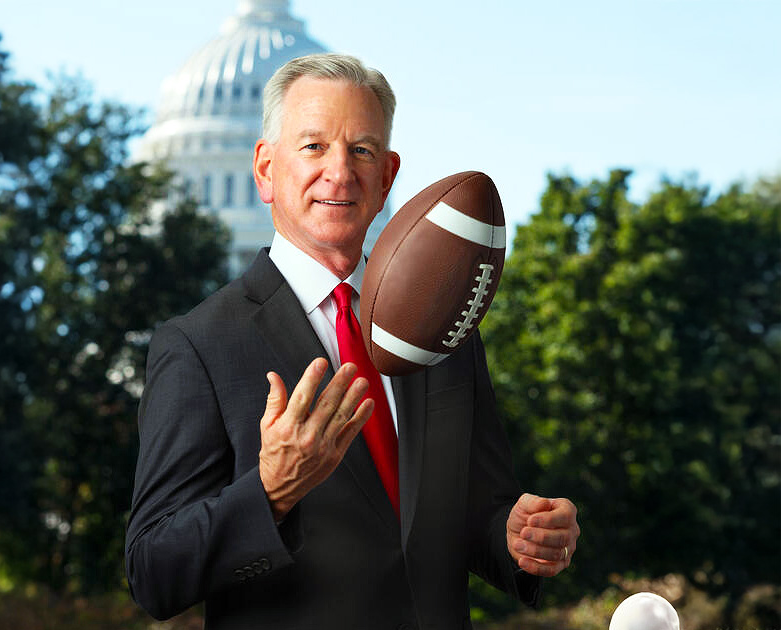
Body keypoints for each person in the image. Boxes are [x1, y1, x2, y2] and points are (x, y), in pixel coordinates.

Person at [125, 53, 580, 629]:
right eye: (313, 146)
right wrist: (269, 492)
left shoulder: (446, 324)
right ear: (265, 169)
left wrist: (520, 535)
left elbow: (475, 511)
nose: (340, 172)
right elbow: (153, 573)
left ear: (389, 175)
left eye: (361, 150)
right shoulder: (198, 345)